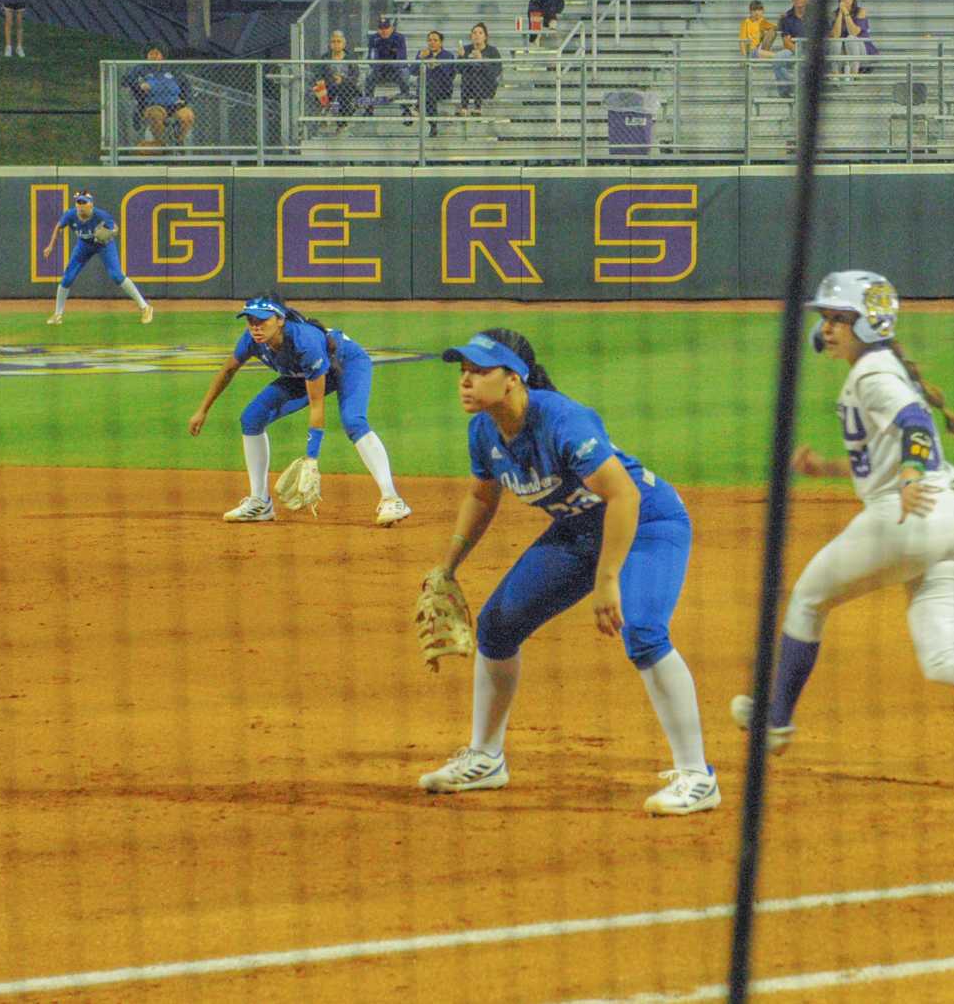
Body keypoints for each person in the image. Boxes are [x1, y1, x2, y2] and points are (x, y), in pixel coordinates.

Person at [729, 271, 954, 769]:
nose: (827, 329)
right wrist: (826, 468)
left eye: (838, 319)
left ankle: (775, 722)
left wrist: (910, 476)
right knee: (941, 655)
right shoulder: (883, 367)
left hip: (910, 516)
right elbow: (885, 451)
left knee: (806, 599)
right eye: (826, 319)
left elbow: (914, 425)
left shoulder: (871, 375)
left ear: (867, 325)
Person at [415, 329, 719, 815]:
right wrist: (448, 566)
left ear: (513, 379)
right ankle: (486, 757)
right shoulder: (484, 430)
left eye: (478, 372)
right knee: (497, 626)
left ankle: (697, 777)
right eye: (462, 372)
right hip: (580, 530)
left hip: (648, 523)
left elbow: (624, 496)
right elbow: (481, 494)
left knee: (642, 630)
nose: (465, 382)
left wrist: (607, 580)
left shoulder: (563, 421)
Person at [187, 293, 410, 527]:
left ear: (280, 320)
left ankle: (392, 498)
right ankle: (260, 502)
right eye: (250, 321)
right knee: (251, 418)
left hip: (347, 364)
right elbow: (228, 371)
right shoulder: (251, 340)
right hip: (302, 374)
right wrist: (202, 410)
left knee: (353, 421)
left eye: (262, 320)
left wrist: (312, 457)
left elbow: (316, 404)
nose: (255, 327)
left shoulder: (305, 343)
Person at [39, 189, 154, 327]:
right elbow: (59, 226)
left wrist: (108, 234)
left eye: (84, 203)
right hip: (84, 245)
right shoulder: (71, 215)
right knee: (67, 278)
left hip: (103, 245)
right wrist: (50, 246)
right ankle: (57, 315)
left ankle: (145, 307)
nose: (80, 206)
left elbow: (115, 229)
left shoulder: (101, 215)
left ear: (91, 205)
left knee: (116, 276)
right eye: (78, 202)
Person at [127, 46, 195, 148]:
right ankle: (162, 144)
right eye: (151, 53)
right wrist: (139, 85)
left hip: (174, 104)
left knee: (188, 116)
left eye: (157, 53)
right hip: (152, 104)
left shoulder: (171, 69)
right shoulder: (140, 68)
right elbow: (126, 81)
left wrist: (185, 100)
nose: (154, 56)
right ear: (146, 55)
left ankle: (178, 141)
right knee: (155, 116)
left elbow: (186, 86)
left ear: (162, 56)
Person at [311, 30, 361, 126]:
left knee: (344, 92)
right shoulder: (325, 58)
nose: (336, 44)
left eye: (339, 41)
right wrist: (326, 80)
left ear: (344, 44)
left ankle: (340, 122)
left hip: (347, 88)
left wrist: (343, 80)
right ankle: (327, 114)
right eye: (333, 42)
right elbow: (318, 74)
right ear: (330, 44)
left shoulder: (350, 58)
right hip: (329, 86)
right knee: (319, 89)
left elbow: (355, 77)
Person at [416, 30, 457, 133]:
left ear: (441, 42)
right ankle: (433, 125)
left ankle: (417, 107)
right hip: (426, 90)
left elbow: (449, 76)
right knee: (428, 90)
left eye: (435, 40)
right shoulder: (423, 53)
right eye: (429, 40)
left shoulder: (448, 55)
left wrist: (438, 65)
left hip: (443, 89)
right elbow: (412, 71)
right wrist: (420, 58)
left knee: (429, 88)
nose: (432, 42)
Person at [774, 0, 812, 97]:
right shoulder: (786, 17)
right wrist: (799, 53)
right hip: (793, 50)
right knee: (778, 58)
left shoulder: (814, 15)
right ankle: (786, 90)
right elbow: (786, 41)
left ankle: (796, 86)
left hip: (811, 51)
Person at [457, 22, 501, 115]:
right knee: (469, 72)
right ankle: (465, 107)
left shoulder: (493, 51)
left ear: (485, 37)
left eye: (480, 33)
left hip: (487, 88)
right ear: (471, 36)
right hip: (468, 88)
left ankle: (476, 107)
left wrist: (481, 60)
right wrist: (461, 57)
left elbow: (495, 72)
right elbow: (459, 70)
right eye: (474, 33)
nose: (477, 35)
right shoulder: (466, 49)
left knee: (476, 71)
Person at [367, 15, 410, 107]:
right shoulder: (373, 38)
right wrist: (378, 66)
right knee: (368, 79)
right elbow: (370, 58)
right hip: (380, 70)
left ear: (391, 28)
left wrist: (391, 65)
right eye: (381, 28)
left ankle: (406, 109)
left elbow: (402, 57)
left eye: (386, 28)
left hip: (395, 70)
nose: (384, 31)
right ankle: (369, 108)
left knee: (404, 74)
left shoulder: (399, 38)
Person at [830, 0, 872, 79]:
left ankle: (854, 74)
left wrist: (846, 12)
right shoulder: (834, 14)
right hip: (843, 52)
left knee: (851, 38)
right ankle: (835, 74)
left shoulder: (861, 11)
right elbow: (836, 35)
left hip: (861, 51)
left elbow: (854, 32)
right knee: (835, 40)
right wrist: (840, 14)